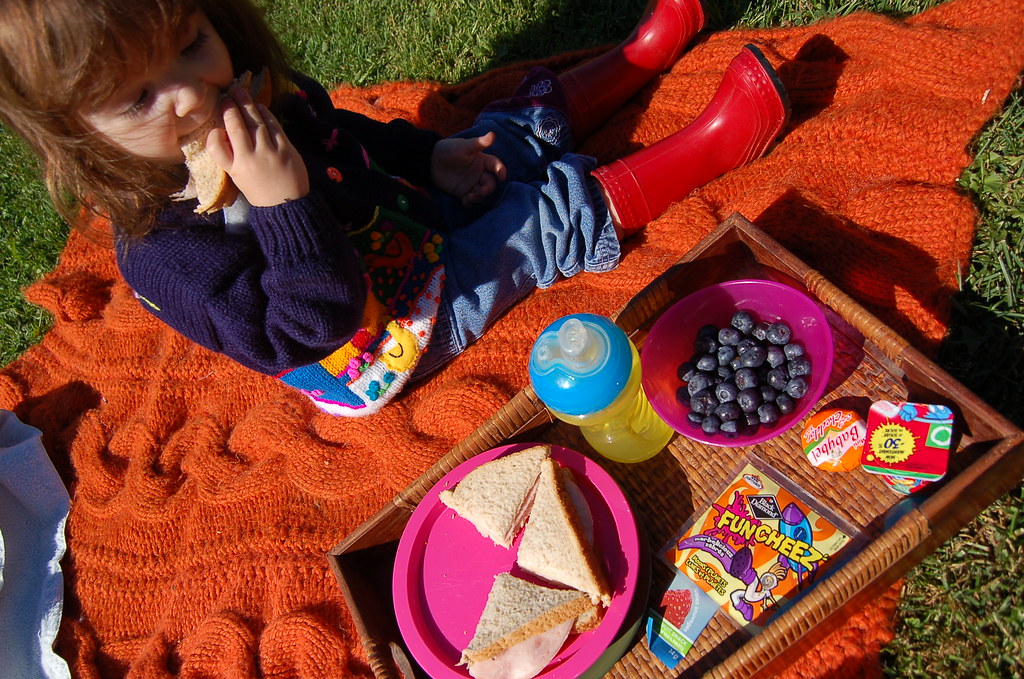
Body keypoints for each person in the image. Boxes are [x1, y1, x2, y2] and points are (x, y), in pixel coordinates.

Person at [0, 0, 789, 416]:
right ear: (75, 132)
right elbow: (308, 325)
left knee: (496, 138)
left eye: (190, 40)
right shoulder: (167, 253)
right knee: (537, 224)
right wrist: (285, 206)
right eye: (139, 95)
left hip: (398, 214)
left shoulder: (248, 94)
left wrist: (426, 158)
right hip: (387, 328)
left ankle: (637, 56)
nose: (190, 88)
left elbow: (344, 136)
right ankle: (719, 142)